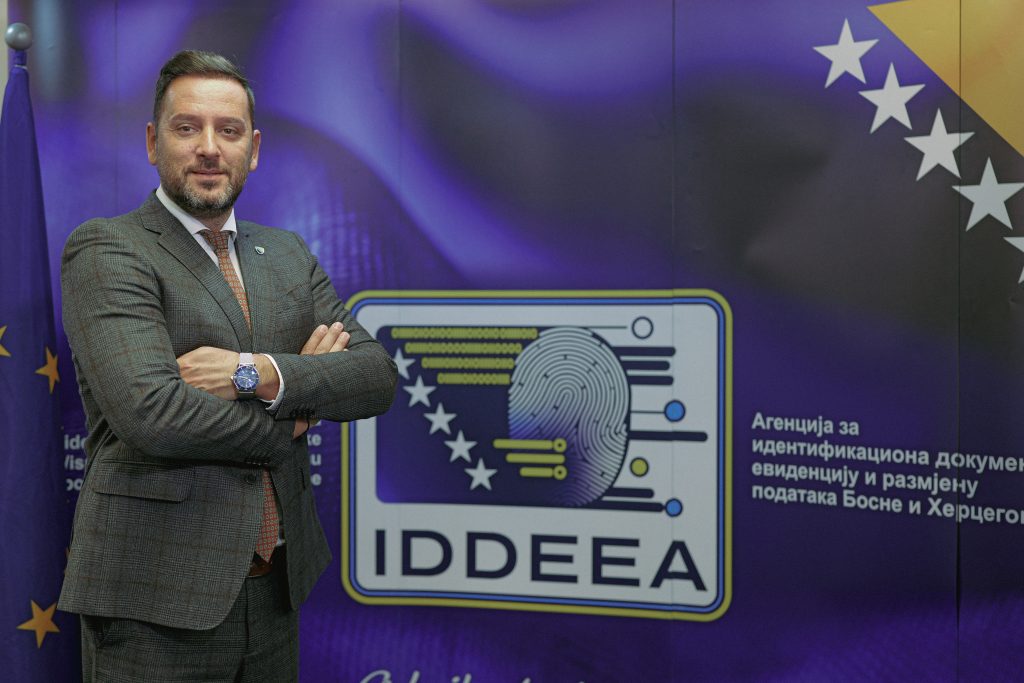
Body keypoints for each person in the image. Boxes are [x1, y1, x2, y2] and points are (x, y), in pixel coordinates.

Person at [58, 50, 397, 682]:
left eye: (229, 130)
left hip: (276, 591)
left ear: (254, 149)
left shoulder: (288, 254)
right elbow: (153, 413)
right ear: (153, 143)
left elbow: (374, 377)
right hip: (154, 599)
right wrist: (296, 418)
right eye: (187, 128)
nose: (209, 148)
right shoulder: (109, 248)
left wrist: (257, 373)